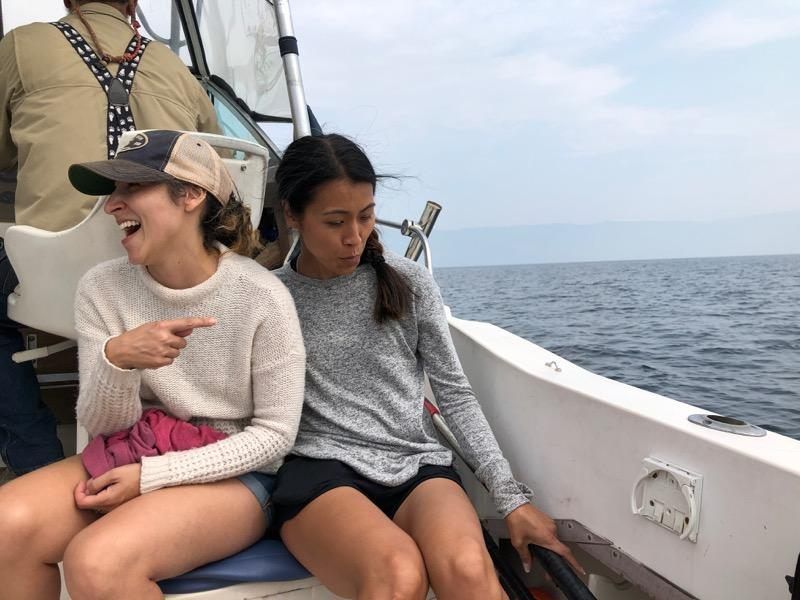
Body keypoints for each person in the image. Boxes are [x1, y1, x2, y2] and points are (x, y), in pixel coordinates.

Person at [271, 133, 582, 600]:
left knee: (472, 573)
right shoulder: (270, 296)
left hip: (415, 463)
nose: (354, 237)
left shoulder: (408, 282)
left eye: (366, 215)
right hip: (319, 471)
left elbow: (453, 393)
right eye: (335, 221)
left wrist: (511, 498)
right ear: (293, 215)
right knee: (398, 576)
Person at [0, 129, 306, 599]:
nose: (111, 206)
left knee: (97, 561)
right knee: (6, 526)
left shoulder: (262, 296)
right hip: (131, 450)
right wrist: (116, 360)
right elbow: (104, 427)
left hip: (237, 477)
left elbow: (273, 440)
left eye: (131, 188)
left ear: (190, 196)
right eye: (113, 190)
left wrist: (151, 478)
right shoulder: (102, 288)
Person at [0, 0, 220, 477]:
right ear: (133, 5)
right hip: (169, 275)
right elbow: (216, 166)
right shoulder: (176, 69)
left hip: (59, 284)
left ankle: (37, 462)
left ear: (68, 1)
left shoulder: (21, 45)